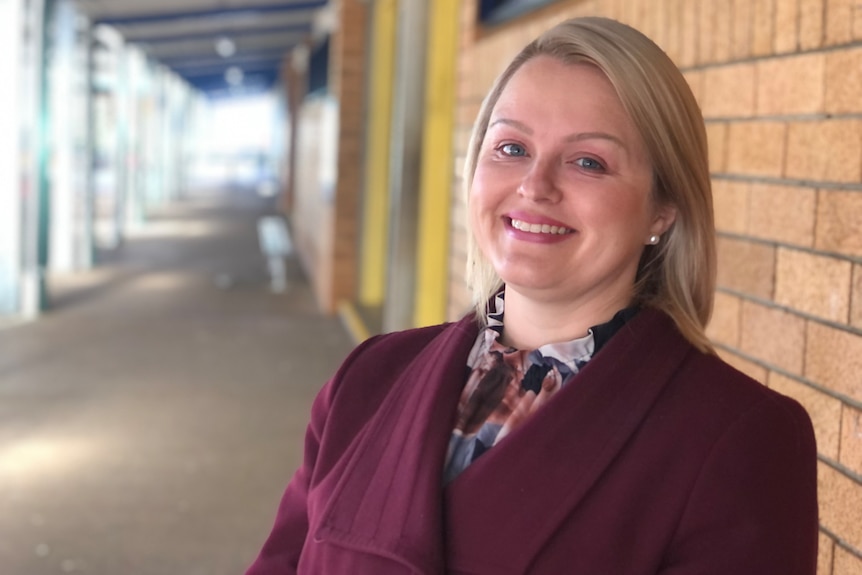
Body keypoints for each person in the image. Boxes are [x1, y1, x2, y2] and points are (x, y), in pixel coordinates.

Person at [245, 16, 818, 575]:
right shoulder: (368, 377)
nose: (534, 185)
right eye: (511, 148)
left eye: (588, 161)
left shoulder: (739, 442)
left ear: (663, 209)